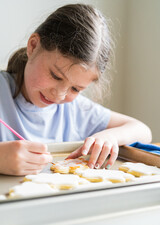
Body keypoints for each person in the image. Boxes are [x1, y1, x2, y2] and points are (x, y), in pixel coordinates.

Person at [0, 4, 152, 176]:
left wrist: (109, 138)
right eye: (56, 76)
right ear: (33, 46)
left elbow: (142, 131)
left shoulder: (75, 110)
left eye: (75, 88)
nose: (59, 95)